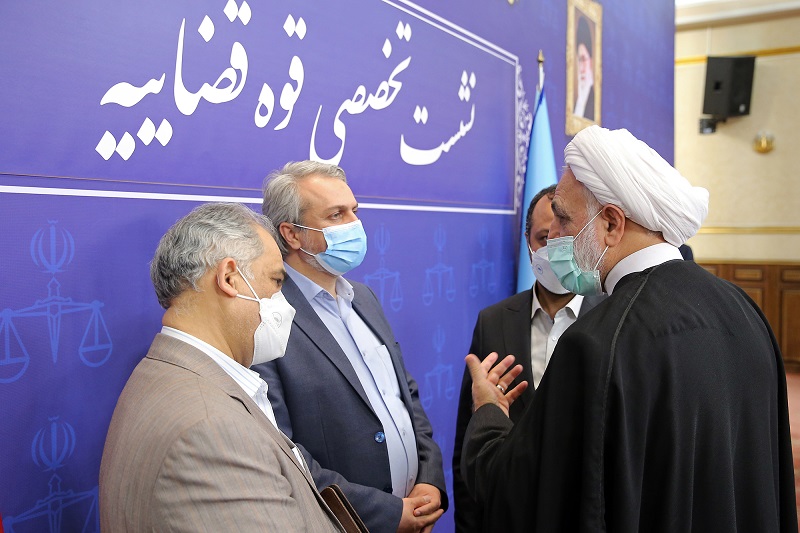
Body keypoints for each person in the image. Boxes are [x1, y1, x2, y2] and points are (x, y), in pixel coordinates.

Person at [461, 126, 797, 532]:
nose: (554, 239)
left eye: (563, 219)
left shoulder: (595, 343)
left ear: (611, 224)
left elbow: (517, 494)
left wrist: (489, 412)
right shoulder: (744, 310)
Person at [99, 203, 346, 532]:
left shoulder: (165, 375)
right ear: (230, 278)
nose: (284, 302)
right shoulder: (212, 429)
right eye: (275, 281)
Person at [254, 161, 447, 533]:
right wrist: (386, 514)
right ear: (292, 234)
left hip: (416, 510)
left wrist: (429, 480)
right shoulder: (266, 316)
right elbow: (283, 450)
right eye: (336, 215)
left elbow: (404, 396)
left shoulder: (365, 298)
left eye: (354, 211)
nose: (355, 224)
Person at [451, 184, 605, 532]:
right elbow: (469, 438)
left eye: (567, 237)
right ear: (528, 242)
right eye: (544, 238)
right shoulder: (493, 321)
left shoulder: (613, 316)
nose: (556, 249)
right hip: (508, 517)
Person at [573, 15, 595, 120]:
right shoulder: (578, 101)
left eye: (583, 59)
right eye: (579, 61)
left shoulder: (593, 100)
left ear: (591, 61)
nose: (581, 69)